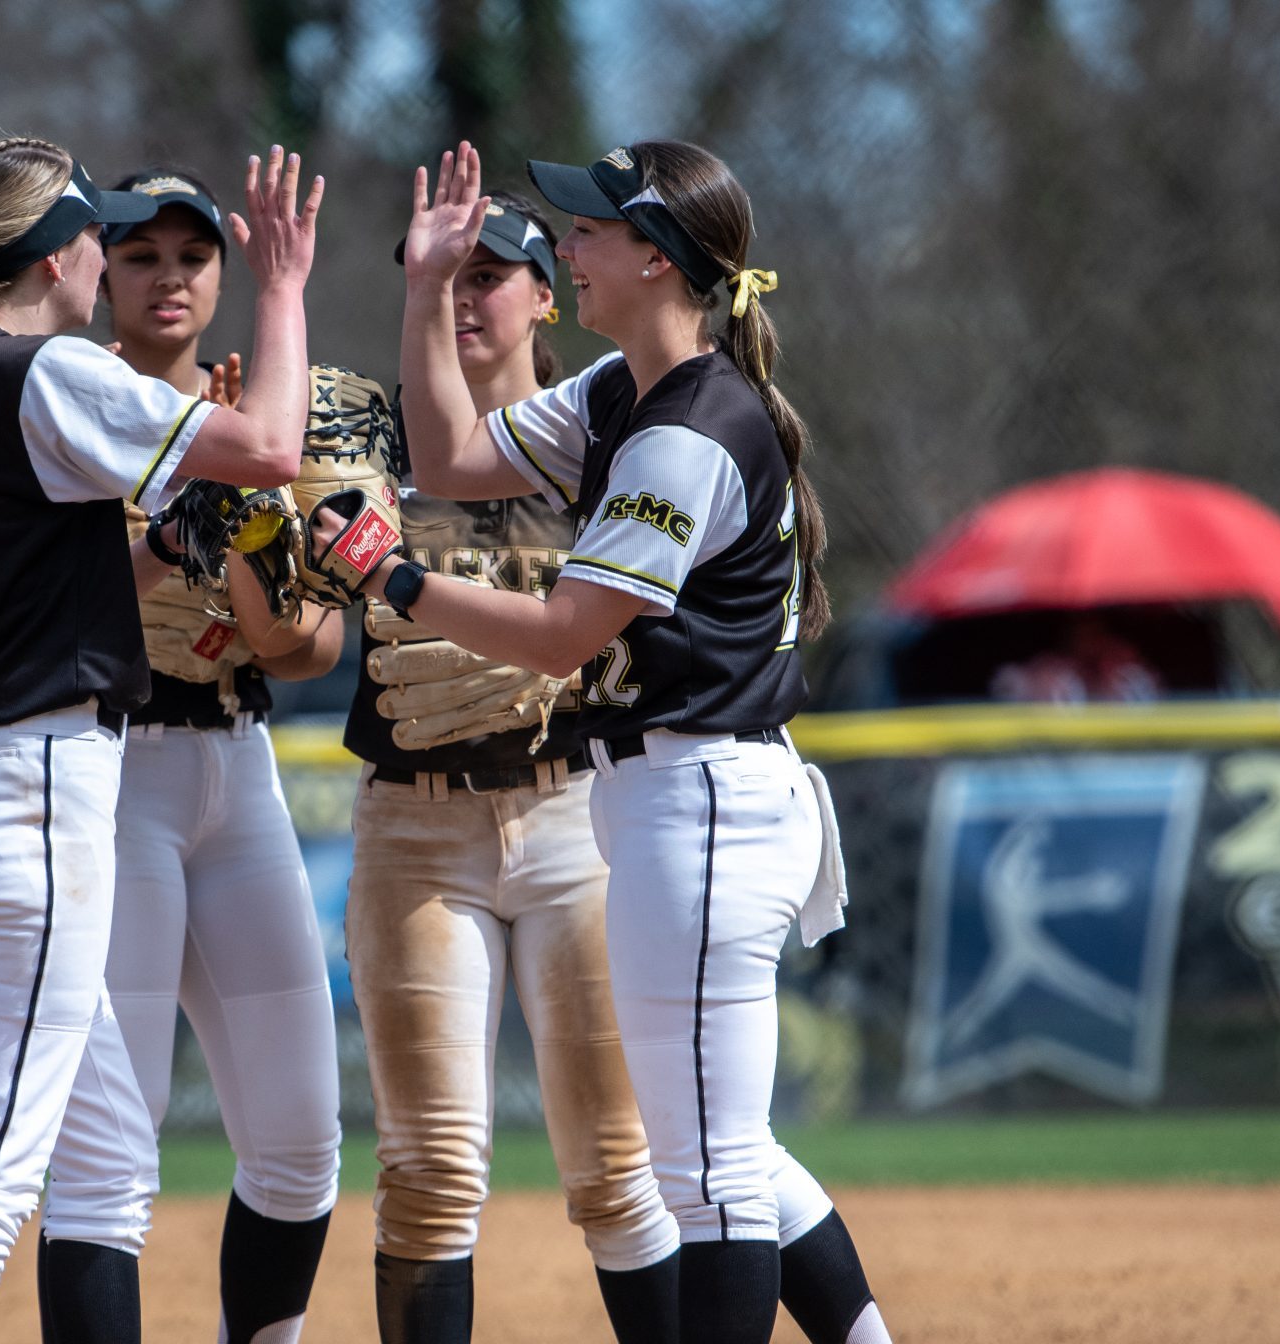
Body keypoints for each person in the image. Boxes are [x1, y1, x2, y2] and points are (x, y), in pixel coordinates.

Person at [339, 140, 890, 1344]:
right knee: (724, 1150)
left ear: (655, 257)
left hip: (700, 803)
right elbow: (444, 458)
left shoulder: (683, 432)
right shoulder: (616, 395)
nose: (568, 248)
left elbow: (560, 633)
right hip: (674, 804)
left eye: (588, 231)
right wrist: (425, 292)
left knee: (706, 1179)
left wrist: (395, 581)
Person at [0, 138, 322, 1344]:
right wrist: (280, 284)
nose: (106, 258)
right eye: (95, 237)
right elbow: (272, 448)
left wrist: (163, 546)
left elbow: (16, 578)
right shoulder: (42, 371)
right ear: (56, 256)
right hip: (30, 795)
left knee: (107, 1160)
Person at [32, 165, 341, 1344]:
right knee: (113, 1145)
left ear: (224, 275)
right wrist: (172, 534)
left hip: (238, 764)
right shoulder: (66, 396)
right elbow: (42, 611)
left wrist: (251, 515)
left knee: (303, 1140)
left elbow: (298, 646)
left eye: (192, 257)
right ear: (94, 268)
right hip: (115, 772)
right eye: (140, 255)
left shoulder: (258, 421)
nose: (167, 278)